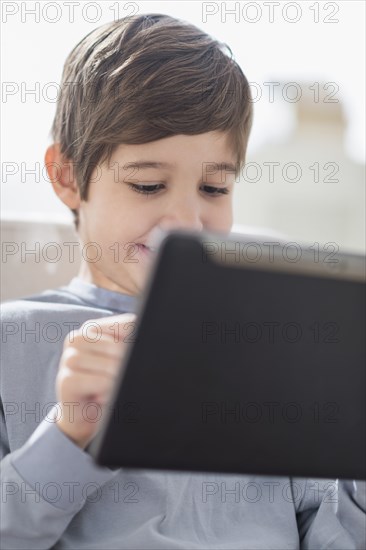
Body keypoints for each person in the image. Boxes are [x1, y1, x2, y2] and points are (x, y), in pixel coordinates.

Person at [1, 13, 365, 549]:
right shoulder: (15, 339)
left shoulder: (270, 348)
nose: (185, 221)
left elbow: (330, 535)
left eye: (214, 189)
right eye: (148, 185)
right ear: (68, 177)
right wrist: (69, 433)